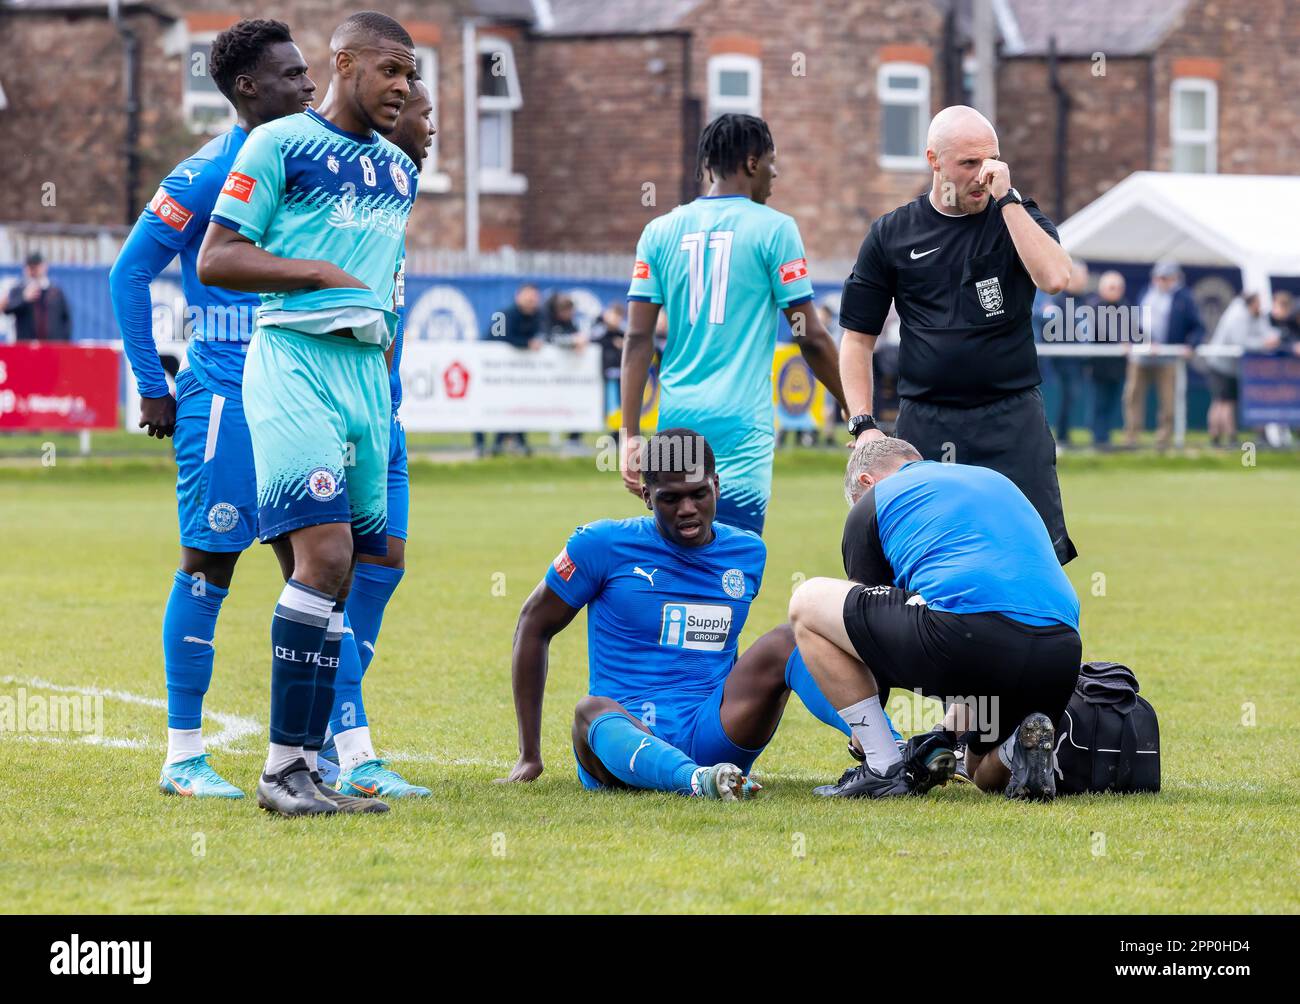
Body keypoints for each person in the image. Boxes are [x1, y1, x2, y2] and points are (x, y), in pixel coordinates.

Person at [197, 9, 419, 817]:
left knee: (345, 573)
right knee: (320, 559)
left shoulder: (400, 171)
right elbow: (217, 258)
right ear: (345, 63)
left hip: (366, 377)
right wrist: (314, 273)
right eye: (391, 70)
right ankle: (280, 769)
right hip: (294, 359)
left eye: (414, 76)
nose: (405, 87)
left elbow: (383, 283)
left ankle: (310, 768)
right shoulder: (279, 143)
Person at [108, 19, 315, 798]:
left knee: (319, 568)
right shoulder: (207, 170)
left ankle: (330, 751)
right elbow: (128, 276)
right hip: (225, 392)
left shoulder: (310, 162)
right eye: (292, 75)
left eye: (309, 71)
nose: (309, 85)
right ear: (247, 89)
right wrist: (153, 385)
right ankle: (184, 755)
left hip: (299, 389)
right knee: (211, 563)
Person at [500, 429, 876, 797]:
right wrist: (529, 755)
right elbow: (533, 625)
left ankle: (887, 748)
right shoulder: (600, 545)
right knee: (588, 711)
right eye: (670, 499)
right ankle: (694, 780)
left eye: (698, 494)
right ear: (647, 496)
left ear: (716, 485)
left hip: (715, 733)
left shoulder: (747, 552)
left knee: (791, 639)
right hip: (626, 742)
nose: (687, 510)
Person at [837, 105, 1077, 564]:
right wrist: (863, 423)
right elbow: (857, 339)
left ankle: (1034, 635)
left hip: (1011, 420)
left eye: (991, 161)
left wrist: (1008, 202)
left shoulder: (1016, 215)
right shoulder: (892, 233)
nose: (982, 175)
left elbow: (1056, 278)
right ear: (934, 161)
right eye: (969, 163)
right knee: (922, 557)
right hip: (926, 424)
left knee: (1028, 556)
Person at [788, 437, 1081, 800]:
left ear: (866, 482)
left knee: (807, 602)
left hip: (969, 637)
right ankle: (1019, 749)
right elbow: (990, 616)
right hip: (1060, 651)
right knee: (979, 770)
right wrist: (945, 733)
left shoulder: (875, 501)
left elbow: (864, 645)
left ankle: (882, 769)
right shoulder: (993, 480)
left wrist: (863, 741)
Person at [621, 113, 846, 535]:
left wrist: (629, 434)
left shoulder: (659, 231)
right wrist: (853, 405)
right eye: (772, 161)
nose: (775, 173)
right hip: (742, 426)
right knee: (732, 562)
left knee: (679, 558)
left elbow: (637, 338)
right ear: (751, 163)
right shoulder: (776, 229)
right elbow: (809, 335)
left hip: (678, 420)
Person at [318, 79, 435, 799]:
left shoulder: (397, 202)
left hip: (382, 418)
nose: (431, 131)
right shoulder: (337, 196)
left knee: (384, 564)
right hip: (338, 417)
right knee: (330, 577)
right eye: (425, 118)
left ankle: (326, 725)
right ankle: (351, 752)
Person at [1124, 260, 1204, 450]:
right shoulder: (1146, 292)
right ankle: (1132, 437)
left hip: (1167, 357)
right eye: (1158, 277)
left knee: (1168, 400)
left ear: (1175, 279)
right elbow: (1135, 321)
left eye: (1166, 278)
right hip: (1141, 356)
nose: (1161, 281)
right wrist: (1134, 340)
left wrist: (1189, 345)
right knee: (1133, 396)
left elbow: (1198, 327)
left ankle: (1163, 440)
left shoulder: (1185, 298)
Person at [475, 283, 541, 457]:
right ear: (518, 296)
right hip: (490, 371)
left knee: (514, 406)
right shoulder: (506, 315)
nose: (531, 302)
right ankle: (481, 445)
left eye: (533, 298)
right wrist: (526, 344)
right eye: (528, 297)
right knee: (482, 407)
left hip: (514, 375)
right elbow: (502, 337)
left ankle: (501, 445)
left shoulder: (538, 316)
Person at [1203, 291, 1275, 447]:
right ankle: (1222, 438)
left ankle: (1228, 438)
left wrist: (1271, 339)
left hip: (1233, 367)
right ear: (1251, 302)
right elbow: (1240, 342)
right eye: (1259, 302)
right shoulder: (1237, 316)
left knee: (1227, 401)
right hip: (1220, 365)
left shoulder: (1254, 314)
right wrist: (1265, 343)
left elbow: (1265, 332)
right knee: (1222, 401)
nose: (1261, 306)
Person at [1084, 270, 1132, 449]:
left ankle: (1105, 439)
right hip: (1098, 367)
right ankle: (1098, 439)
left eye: (1119, 287)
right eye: (1112, 287)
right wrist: (1121, 340)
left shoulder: (1125, 307)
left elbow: (1136, 329)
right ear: (1102, 288)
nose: (1116, 290)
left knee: (1111, 404)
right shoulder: (1093, 306)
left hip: (1118, 367)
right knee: (1098, 404)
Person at [1045, 261, 1090, 448]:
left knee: (1071, 399)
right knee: (1066, 398)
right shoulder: (1057, 300)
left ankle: (1064, 436)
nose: (1085, 281)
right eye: (1082, 277)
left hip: (1078, 360)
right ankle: (1061, 437)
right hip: (1062, 360)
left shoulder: (1084, 301)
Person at [5, 252, 71, 342]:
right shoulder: (18, 289)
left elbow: (66, 318)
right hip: (26, 346)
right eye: (30, 267)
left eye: (36, 267)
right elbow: (7, 309)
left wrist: (63, 341)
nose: (34, 270)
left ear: (44, 267)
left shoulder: (55, 291)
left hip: (52, 347)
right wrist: (24, 298)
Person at [590, 301, 626, 415]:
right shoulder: (599, 331)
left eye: (618, 316)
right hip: (600, 374)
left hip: (621, 375)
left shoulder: (623, 333)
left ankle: (618, 430)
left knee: (620, 404)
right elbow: (593, 340)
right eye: (613, 315)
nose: (615, 319)